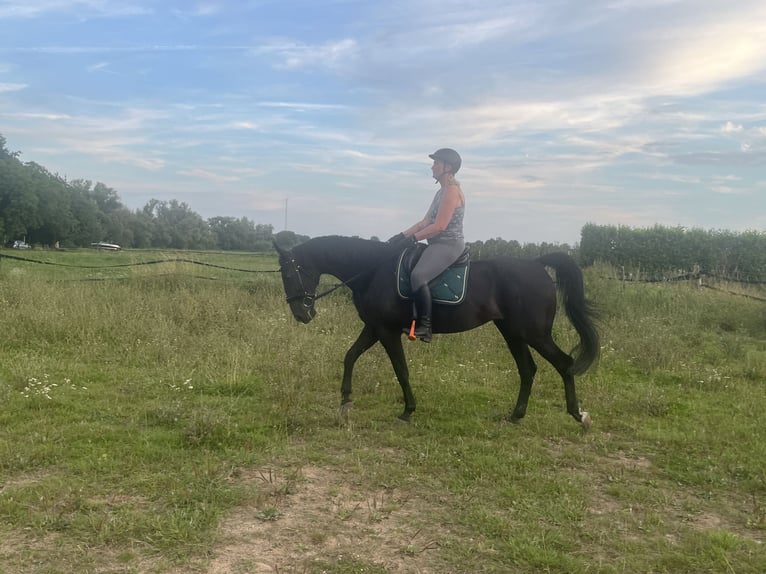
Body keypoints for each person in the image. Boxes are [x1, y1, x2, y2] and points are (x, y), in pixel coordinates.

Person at [388, 148, 466, 343]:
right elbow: (424, 222)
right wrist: (400, 236)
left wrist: (414, 239)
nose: (432, 166)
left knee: (419, 275)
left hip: (448, 244)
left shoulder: (452, 191)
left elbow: (439, 226)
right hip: (437, 243)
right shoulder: (441, 192)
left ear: (447, 167)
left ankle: (425, 326)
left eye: (436, 163)